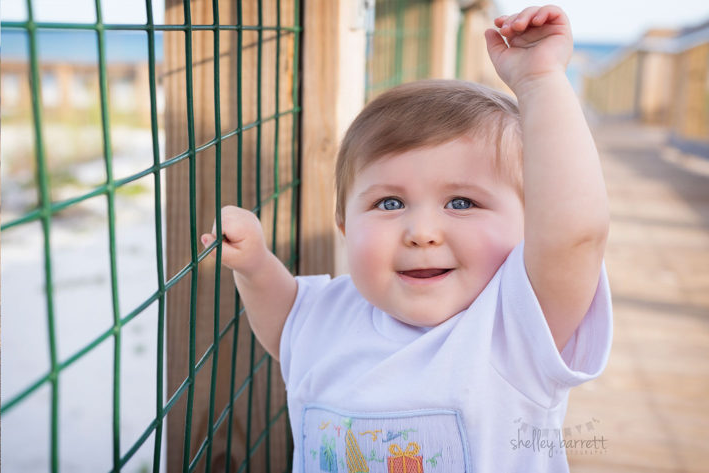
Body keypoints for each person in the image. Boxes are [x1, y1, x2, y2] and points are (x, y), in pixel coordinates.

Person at [200, 6, 611, 471]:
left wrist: (539, 81)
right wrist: (255, 266)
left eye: (461, 203)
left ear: (532, 220)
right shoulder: (329, 315)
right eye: (390, 204)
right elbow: (285, 323)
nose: (421, 233)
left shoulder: (513, 327)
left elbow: (576, 235)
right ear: (343, 222)